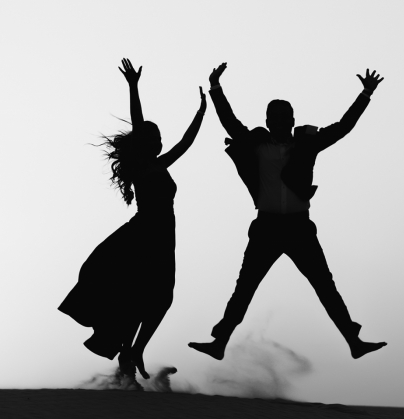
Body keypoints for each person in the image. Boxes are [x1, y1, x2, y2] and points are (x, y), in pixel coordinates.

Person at [189, 63, 387, 361]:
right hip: (266, 227)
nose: (280, 122)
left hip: (299, 228)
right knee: (245, 287)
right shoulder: (257, 143)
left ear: (293, 119)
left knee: (325, 286)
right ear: (267, 121)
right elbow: (230, 122)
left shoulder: (307, 144)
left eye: (285, 118)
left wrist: (365, 93)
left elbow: (343, 127)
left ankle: (354, 342)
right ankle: (219, 344)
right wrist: (215, 87)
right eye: (275, 118)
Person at [59, 58, 206, 380]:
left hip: (165, 236)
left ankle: (134, 351)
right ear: (143, 143)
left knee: (161, 298)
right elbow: (139, 124)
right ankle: (129, 354)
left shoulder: (162, 164)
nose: (159, 141)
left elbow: (186, 143)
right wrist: (133, 87)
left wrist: (200, 114)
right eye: (152, 138)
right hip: (143, 235)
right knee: (143, 295)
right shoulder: (142, 165)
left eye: (159, 137)